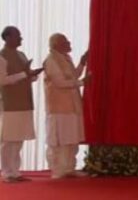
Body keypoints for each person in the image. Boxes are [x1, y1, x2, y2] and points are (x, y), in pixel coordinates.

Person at [0, 26, 43, 183]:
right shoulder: (1, 56)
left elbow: (25, 76)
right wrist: (25, 74)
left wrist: (32, 75)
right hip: (9, 103)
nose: (21, 39)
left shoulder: (21, 55)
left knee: (18, 138)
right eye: (18, 36)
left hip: (24, 101)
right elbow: (2, 80)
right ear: (7, 38)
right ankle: (6, 172)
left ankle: (16, 172)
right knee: (8, 139)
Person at [43, 33, 89, 179]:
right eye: (65, 41)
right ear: (56, 45)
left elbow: (73, 76)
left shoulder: (65, 58)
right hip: (59, 108)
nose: (69, 43)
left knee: (71, 139)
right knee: (60, 140)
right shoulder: (51, 60)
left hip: (72, 106)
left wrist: (82, 63)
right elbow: (60, 83)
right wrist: (82, 82)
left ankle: (69, 168)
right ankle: (58, 170)